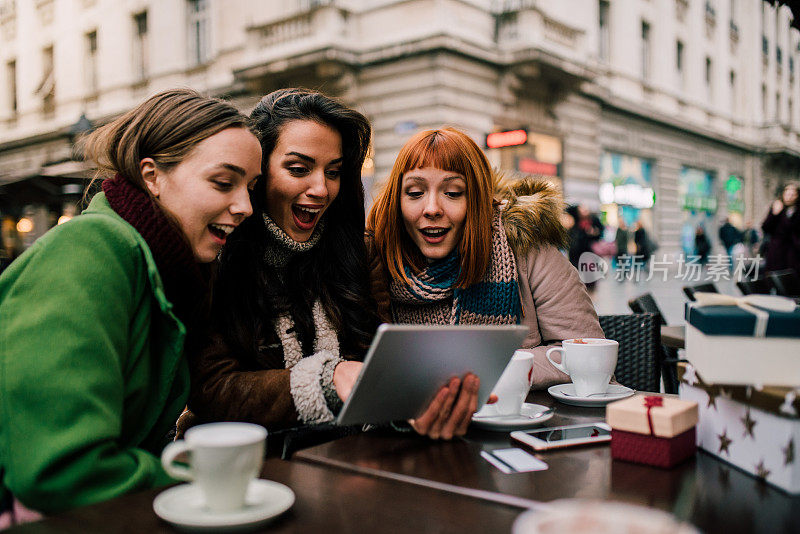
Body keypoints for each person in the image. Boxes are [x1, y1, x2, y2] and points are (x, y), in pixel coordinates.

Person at [0, 89, 262, 521]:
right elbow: (63, 471)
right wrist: (205, 485)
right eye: (223, 182)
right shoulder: (92, 248)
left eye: (250, 187)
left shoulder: (165, 270)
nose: (246, 206)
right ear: (152, 176)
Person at [366, 127, 604, 423]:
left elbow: (587, 354)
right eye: (415, 193)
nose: (431, 209)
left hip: (525, 429)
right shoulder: (377, 260)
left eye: (453, 193)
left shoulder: (527, 248)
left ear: (477, 199)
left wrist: (488, 371)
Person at [180, 89, 380, 436]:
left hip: (353, 462)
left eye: (333, 172)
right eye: (299, 169)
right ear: (257, 173)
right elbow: (211, 389)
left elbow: (378, 360)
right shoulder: (214, 256)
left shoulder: (359, 253)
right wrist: (325, 380)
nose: (320, 188)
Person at [761, 182, 800, 274]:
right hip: (777, 251)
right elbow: (766, 228)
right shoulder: (777, 207)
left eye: (793, 194)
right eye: (787, 194)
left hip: (794, 252)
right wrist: (774, 214)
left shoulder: (798, 210)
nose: (789, 197)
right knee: (776, 278)